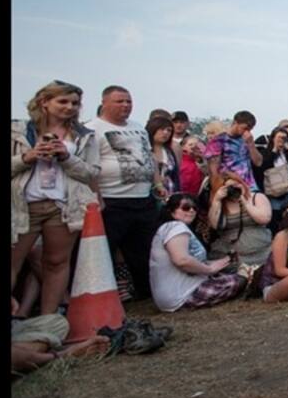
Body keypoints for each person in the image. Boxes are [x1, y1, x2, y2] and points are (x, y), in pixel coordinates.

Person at [11, 80, 101, 316]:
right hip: (23, 205)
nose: (70, 107)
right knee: (14, 261)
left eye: (75, 103)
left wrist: (66, 157)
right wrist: (28, 157)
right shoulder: (18, 130)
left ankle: (49, 319)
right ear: (44, 102)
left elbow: (92, 173)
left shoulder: (85, 136)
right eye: (63, 101)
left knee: (57, 262)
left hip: (63, 206)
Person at [86, 85, 160, 300]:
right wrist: (96, 195)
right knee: (107, 249)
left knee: (144, 248)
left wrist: (157, 183)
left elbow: (149, 157)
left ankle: (145, 291)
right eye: (119, 101)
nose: (126, 105)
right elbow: (90, 167)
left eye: (128, 101)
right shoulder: (92, 129)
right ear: (104, 103)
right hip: (112, 199)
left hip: (142, 197)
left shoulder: (138, 128)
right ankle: (105, 295)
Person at [149, 193, 247, 312]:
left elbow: (193, 261)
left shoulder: (172, 228)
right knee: (241, 279)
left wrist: (224, 261)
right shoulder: (175, 227)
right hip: (183, 296)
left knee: (234, 272)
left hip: (177, 294)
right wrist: (209, 269)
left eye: (194, 208)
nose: (191, 211)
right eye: (185, 207)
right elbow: (181, 260)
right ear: (171, 211)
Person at [207, 173, 273, 269]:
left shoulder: (256, 197)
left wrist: (245, 203)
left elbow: (264, 219)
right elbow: (214, 225)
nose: (234, 189)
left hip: (261, 250)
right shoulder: (220, 204)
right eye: (229, 188)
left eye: (236, 185)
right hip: (233, 255)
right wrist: (216, 200)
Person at [254, 126, 288, 232]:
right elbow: (264, 167)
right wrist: (274, 149)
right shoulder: (266, 152)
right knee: (276, 219)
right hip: (275, 192)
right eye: (279, 137)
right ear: (273, 138)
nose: (282, 140)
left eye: (285, 137)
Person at [146, 116, 179, 199]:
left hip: (169, 194)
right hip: (147, 194)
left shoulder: (169, 152)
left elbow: (176, 176)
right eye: (162, 129)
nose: (165, 133)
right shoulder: (144, 150)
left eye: (169, 130)